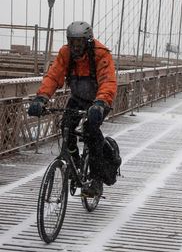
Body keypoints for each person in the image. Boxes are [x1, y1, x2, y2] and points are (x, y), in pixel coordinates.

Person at [28, 21, 117, 197]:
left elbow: (107, 81)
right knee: (65, 127)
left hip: (99, 100)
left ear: (88, 41)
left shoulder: (100, 53)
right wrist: (41, 98)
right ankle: (74, 163)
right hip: (77, 98)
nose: (76, 47)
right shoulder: (65, 53)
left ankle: (97, 179)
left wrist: (100, 103)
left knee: (91, 131)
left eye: (80, 43)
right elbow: (54, 76)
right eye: (73, 42)